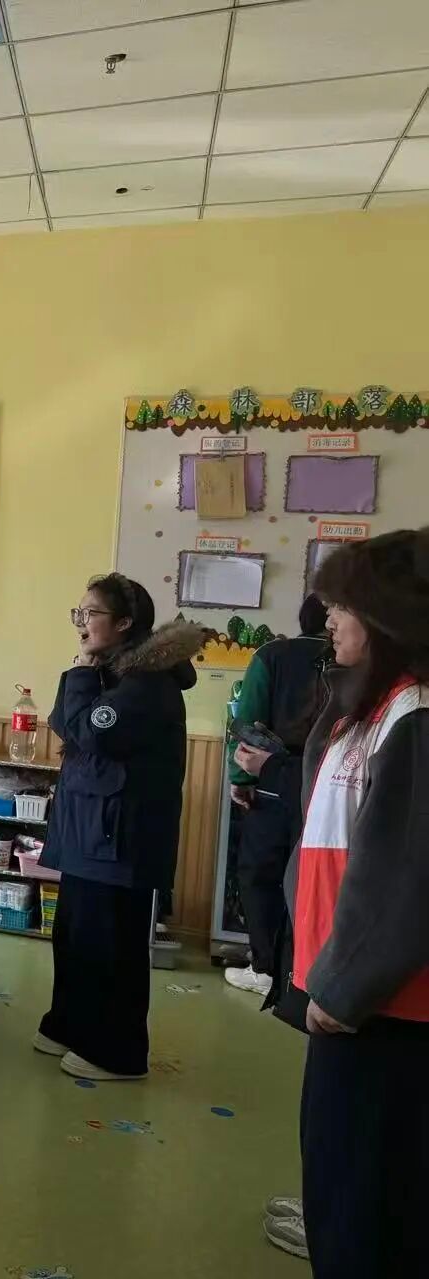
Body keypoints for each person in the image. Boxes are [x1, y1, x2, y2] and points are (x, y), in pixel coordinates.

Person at [286, 529, 429, 1276]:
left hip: (384, 1009)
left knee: (370, 1215)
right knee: (337, 1187)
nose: (330, 618)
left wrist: (345, 990)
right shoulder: (372, 704)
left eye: (344, 605)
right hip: (343, 993)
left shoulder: (416, 715)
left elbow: (408, 877)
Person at [36, 574, 202, 1082]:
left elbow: (94, 733)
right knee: (75, 937)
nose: (81, 622)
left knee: (111, 946)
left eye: (91, 613)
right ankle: (69, 1024)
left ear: (125, 623)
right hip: (88, 828)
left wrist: (83, 675)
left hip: (119, 837)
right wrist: (82, 670)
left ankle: (117, 1051)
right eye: (79, 613)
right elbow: (64, 721)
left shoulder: (148, 682)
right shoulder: (108, 672)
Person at [225, 595, 331, 997]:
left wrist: (241, 778)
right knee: (312, 878)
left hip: (271, 779)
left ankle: (266, 968)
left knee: (260, 876)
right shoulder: (356, 661)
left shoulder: (273, 655)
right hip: (328, 786)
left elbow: (248, 722)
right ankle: (305, 971)